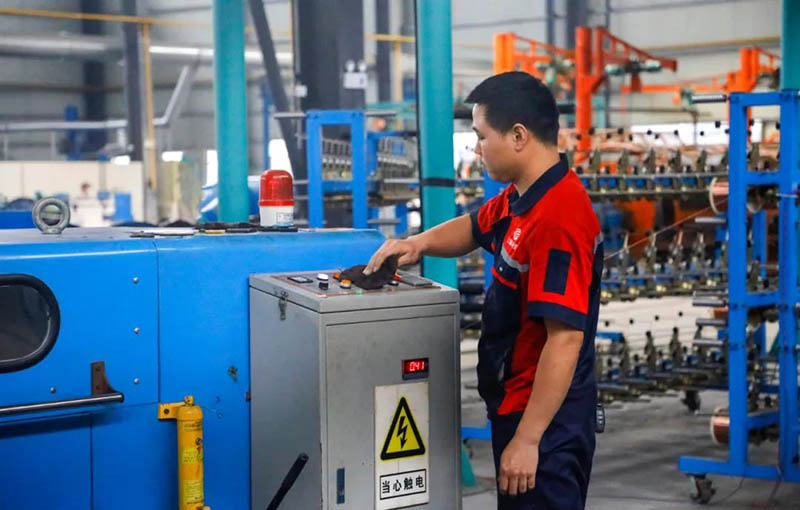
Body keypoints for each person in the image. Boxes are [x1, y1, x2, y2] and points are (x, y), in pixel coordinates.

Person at [363, 71, 602, 509]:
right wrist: (417, 244)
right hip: (518, 407)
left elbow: (565, 339)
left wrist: (528, 440)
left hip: (547, 425)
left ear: (518, 136)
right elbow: (475, 226)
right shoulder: (523, 198)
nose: (476, 149)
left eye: (481, 136)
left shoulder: (559, 217)